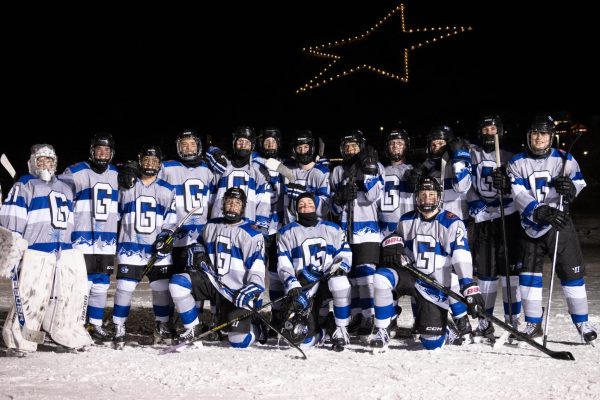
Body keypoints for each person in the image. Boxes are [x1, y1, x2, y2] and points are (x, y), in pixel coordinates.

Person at [507, 114, 596, 343]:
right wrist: (538, 210)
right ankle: (533, 323)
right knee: (529, 277)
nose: (539, 138)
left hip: (559, 225)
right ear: (529, 136)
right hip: (529, 226)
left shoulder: (565, 158)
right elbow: (517, 192)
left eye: (544, 133)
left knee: (572, 274)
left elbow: (579, 181)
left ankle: (582, 322)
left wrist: (571, 188)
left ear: (551, 137)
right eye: (535, 133)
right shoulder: (517, 162)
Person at [372, 177, 484, 351]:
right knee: (380, 278)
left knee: (431, 343)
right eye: (423, 195)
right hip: (410, 276)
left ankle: (446, 327)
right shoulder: (406, 219)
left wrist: (468, 284)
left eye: (431, 195)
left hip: (434, 284)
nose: (426, 199)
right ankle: (382, 329)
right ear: (416, 198)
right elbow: (395, 240)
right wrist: (391, 244)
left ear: (439, 197)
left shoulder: (452, 222)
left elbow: (461, 255)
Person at [1, 144, 91, 354]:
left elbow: (74, 218)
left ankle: (66, 334)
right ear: (32, 162)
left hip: (64, 251)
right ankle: (19, 339)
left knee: (68, 296)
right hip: (36, 251)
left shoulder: (66, 187)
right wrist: (14, 248)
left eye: (49, 160)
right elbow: (12, 220)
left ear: (55, 163)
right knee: (32, 296)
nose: (45, 164)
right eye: (40, 160)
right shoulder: (25, 184)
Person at [168, 187, 267, 348]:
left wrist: (251, 288)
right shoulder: (211, 225)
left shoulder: (252, 232)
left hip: (235, 291)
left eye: (237, 203)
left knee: (238, 342)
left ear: (242, 207)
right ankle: (192, 329)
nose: (232, 206)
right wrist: (197, 252)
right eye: (229, 202)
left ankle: (257, 328)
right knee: (178, 283)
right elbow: (196, 243)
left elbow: (257, 267)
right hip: (212, 281)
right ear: (223, 205)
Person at [407, 125, 473, 338]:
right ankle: (424, 319)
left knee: (451, 274)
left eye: (441, 143)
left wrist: (459, 157)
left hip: (453, 224)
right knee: (425, 273)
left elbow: (463, 186)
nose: (437, 147)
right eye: (433, 144)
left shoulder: (455, 163)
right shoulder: (430, 168)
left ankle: (461, 316)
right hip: (430, 226)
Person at [113, 144, 178, 348]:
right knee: (124, 287)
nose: (150, 164)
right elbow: (114, 214)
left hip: (155, 250)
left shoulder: (167, 190)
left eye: (154, 161)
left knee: (161, 289)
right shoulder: (126, 186)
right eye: (146, 160)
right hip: (130, 247)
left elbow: (171, 220)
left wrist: (166, 238)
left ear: (160, 164)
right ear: (140, 161)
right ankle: (118, 326)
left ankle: (161, 325)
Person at [60, 133, 119, 344]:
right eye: (99, 149)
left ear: (112, 153)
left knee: (102, 284)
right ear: (92, 151)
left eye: (107, 150)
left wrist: (132, 168)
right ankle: (75, 323)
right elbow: (59, 194)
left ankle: (95, 324)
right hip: (81, 238)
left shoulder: (117, 173)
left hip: (106, 240)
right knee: (81, 285)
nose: (102, 154)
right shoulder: (76, 171)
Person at [467, 116, 522, 340]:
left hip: (507, 219)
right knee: (486, 273)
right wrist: (477, 204)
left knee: (511, 273)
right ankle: (484, 321)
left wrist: (508, 187)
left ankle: (513, 321)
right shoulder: (472, 154)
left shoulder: (512, 157)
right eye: (485, 129)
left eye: (493, 129)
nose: (490, 132)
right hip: (484, 222)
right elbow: (466, 184)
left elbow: (521, 187)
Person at [277, 192, 352, 350]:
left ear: (316, 207)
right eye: (302, 206)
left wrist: (341, 268)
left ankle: (341, 329)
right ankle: (323, 331)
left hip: (326, 282)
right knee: (299, 341)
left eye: (310, 204)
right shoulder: (286, 232)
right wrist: (292, 285)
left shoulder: (331, 228)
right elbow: (284, 264)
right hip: (304, 287)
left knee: (340, 282)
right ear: (296, 209)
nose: (306, 208)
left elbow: (344, 254)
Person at [330, 130, 384, 340]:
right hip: (344, 232)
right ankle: (355, 316)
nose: (351, 150)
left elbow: (374, 195)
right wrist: (340, 198)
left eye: (354, 146)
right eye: (347, 146)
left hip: (367, 230)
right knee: (348, 277)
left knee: (365, 276)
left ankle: (369, 316)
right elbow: (332, 209)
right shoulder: (336, 172)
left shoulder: (375, 166)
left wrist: (369, 170)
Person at [159, 129, 217, 324]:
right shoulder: (167, 167)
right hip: (171, 235)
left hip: (197, 237)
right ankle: (164, 321)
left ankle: (193, 319)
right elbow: (147, 176)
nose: (189, 148)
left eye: (192, 144)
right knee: (166, 282)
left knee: (192, 280)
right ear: (178, 148)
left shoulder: (208, 169)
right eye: (184, 144)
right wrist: (132, 168)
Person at [208, 126, 271, 231]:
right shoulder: (222, 165)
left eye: (247, 143)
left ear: (252, 146)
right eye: (240, 141)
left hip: (247, 224)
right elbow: (210, 194)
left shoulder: (258, 170)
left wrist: (261, 224)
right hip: (219, 221)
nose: (243, 145)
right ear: (234, 143)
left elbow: (263, 199)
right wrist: (210, 151)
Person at [379, 128, 414, 237]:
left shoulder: (414, 170)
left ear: (406, 146)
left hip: (409, 227)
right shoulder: (380, 170)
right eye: (392, 143)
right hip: (384, 229)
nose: (395, 146)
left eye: (399, 143)